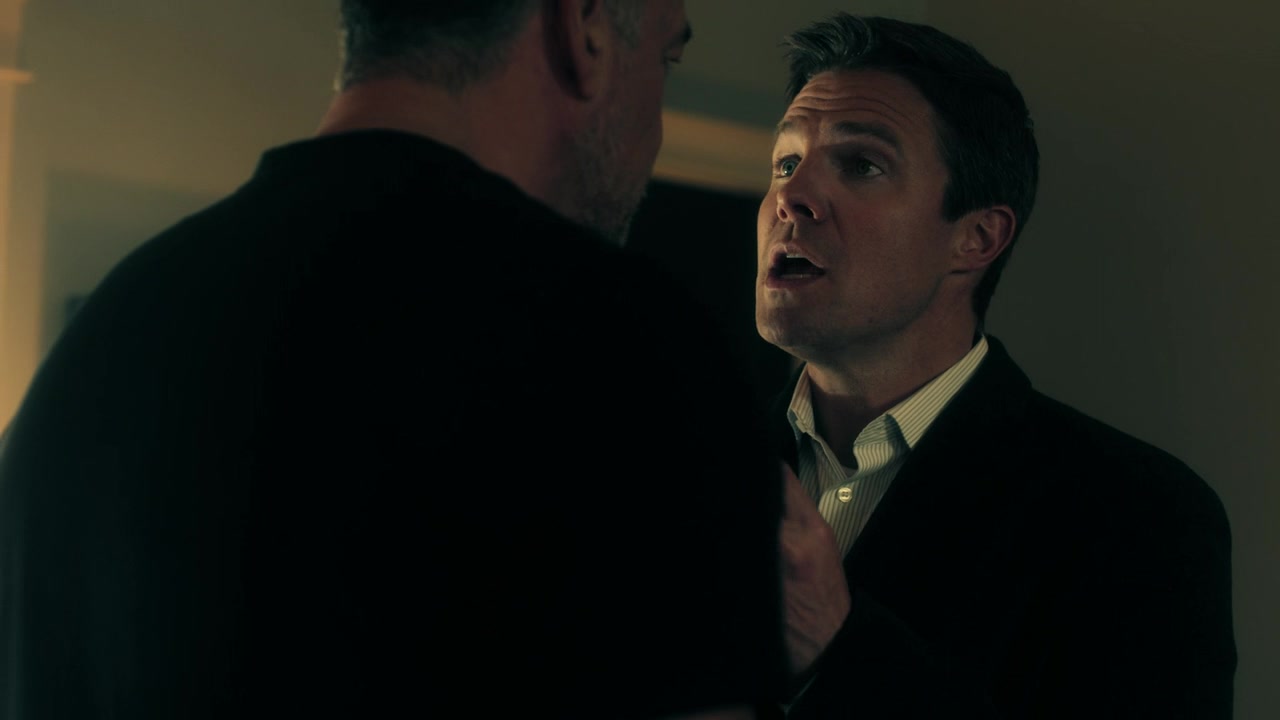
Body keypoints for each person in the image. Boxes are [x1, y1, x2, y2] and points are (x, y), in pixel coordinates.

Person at [0, 2, 789, 718]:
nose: (656, 126)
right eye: (666, 60)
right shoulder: (626, 357)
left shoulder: (85, 362)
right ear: (583, 28)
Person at [755, 13, 1236, 719]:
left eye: (860, 164)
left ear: (977, 238)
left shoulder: (1141, 516)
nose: (790, 196)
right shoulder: (679, 461)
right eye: (785, 163)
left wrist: (838, 652)